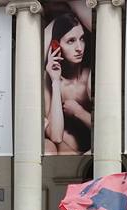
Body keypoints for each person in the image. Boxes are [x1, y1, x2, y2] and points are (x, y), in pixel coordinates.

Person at [43, 6, 93, 155]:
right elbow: (56, 136)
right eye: (71, 41)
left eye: (82, 39)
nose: (79, 48)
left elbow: (107, 129)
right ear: (56, 46)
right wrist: (55, 81)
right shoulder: (49, 80)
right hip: (65, 154)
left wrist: (79, 112)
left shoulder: (89, 77)